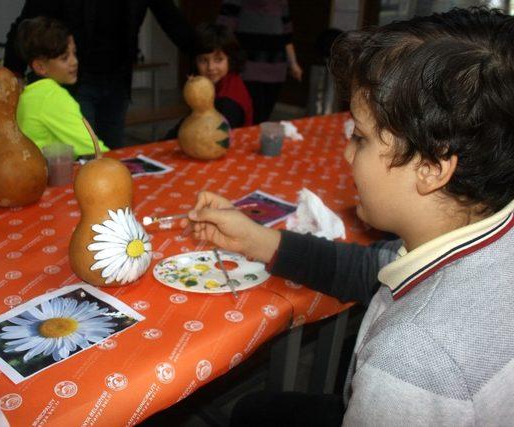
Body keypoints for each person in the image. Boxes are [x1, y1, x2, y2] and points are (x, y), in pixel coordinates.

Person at [188, 7, 514, 425]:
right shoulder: (479, 231)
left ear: (432, 169)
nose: (345, 154)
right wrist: (255, 240)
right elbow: (376, 268)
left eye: (359, 138)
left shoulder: (410, 364)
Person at [4, 0, 199, 149]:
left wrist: (201, 52)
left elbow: (170, 16)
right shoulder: (54, 96)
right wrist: (13, 72)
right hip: (75, 81)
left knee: (109, 145)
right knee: (83, 150)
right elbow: (28, 23)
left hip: (118, 77)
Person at [14, 17, 108, 158]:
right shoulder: (52, 96)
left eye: (74, 53)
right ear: (40, 66)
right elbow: (93, 149)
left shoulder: (29, 92)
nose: (74, 62)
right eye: (64, 58)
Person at [218, 0, 302, 124]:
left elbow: (287, 36)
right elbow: (222, 33)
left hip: (276, 70)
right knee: (249, 118)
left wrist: (293, 64)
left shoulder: (281, 2)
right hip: (247, 70)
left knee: (263, 118)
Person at [164, 22, 252, 139]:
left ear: (230, 60)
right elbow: (191, 121)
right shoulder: (210, 85)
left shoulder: (228, 102)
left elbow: (213, 139)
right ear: (195, 62)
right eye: (203, 60)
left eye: (218, 59)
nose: (210, 67)